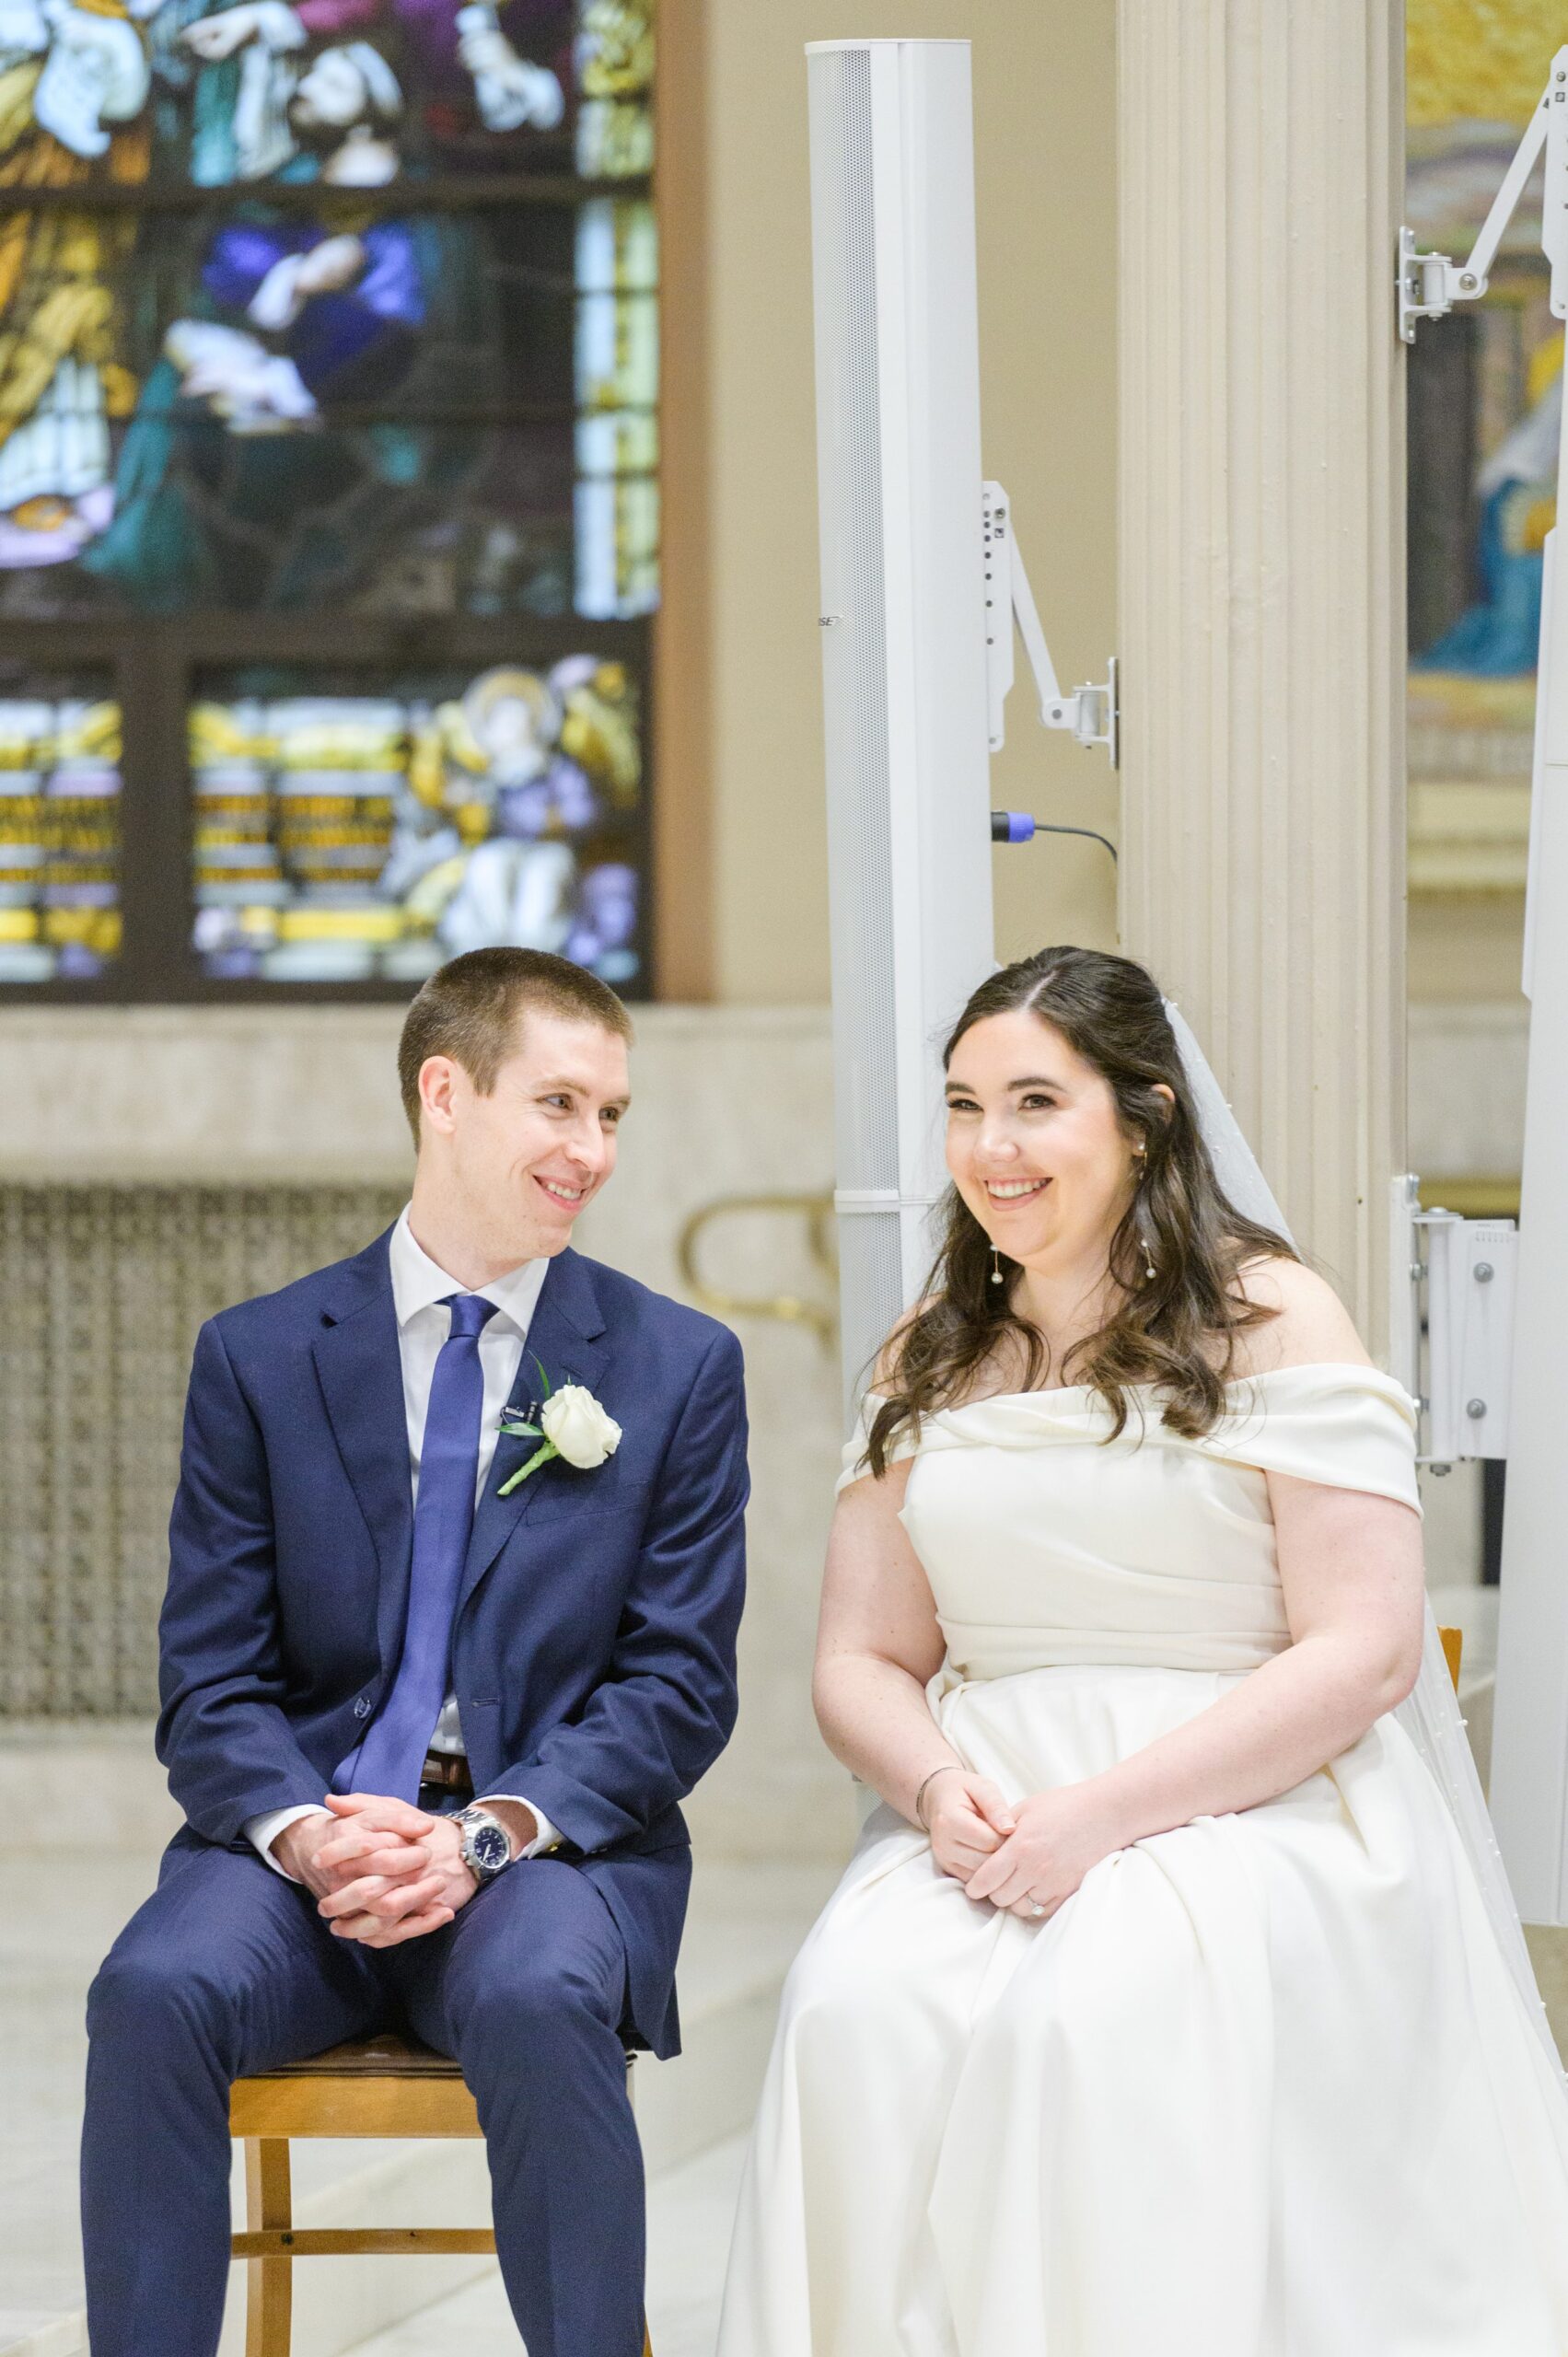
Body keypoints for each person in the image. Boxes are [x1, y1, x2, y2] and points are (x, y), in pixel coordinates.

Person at [719, 945, 1568, 2357]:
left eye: (1037, 1102)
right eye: (964, 1103)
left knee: (1099, 2020)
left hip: (1264, 1801)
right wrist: (938, 1794)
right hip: (985, 1819)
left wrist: (1101, 1821)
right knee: (853, 2008)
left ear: (1145, 1118)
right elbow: (861, 1659)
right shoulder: (925, 1357)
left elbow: (1363, 1652)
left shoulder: (1271, 1317)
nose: (991, 1147)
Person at [82, 945, 749, 2357]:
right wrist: (312, 1839)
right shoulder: (260, 1357)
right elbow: (209, 1682)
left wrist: (486, 1837)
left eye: (613, 1116)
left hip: (540, 1854)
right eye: (560, 1106)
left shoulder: (675, 1367)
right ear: (446, 1092)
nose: (594, 1152)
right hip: (307, 1851)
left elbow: (678, 1687)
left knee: (541, 1994)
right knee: (150, 1992)